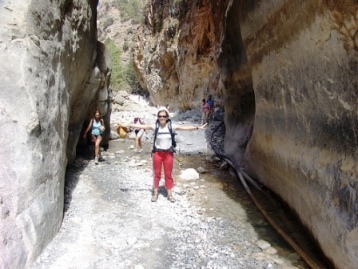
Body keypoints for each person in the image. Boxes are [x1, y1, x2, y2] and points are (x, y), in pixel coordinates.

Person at [127, 107, 207, 203]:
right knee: (156, 174)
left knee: (168, 175)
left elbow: (184, 128)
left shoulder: (171, 126)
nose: (162, 118)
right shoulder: (155, 126)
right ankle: (155, 194)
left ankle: (170, 194)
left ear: (167, 117)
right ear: (157, 117)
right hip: (157, 153)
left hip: (168, 153)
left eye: (164, 116)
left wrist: (197, 127)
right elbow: (143, 127)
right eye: (160, 116)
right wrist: (128, 124)